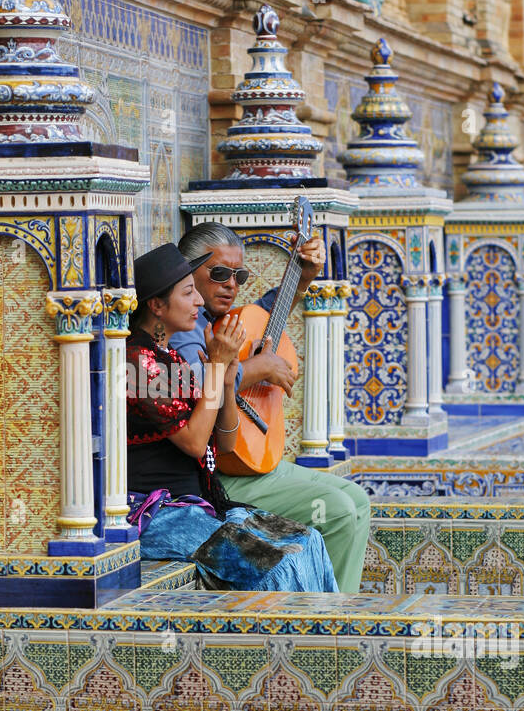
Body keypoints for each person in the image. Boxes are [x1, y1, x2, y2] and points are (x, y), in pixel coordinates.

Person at [168, 222, 371, 592]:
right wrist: (255, 369)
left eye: (239, 275)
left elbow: (263, 314)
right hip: (215, 475)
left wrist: (303, 277)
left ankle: (338, 612)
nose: (231, 284)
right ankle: (321, 623)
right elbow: (192, 386)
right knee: (338, 512)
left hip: (250, 460)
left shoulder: (217, 319)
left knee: (356, 499)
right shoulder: (182, 327)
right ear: (186, 270)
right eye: (219, 273)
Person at [125, 242, 337, 592]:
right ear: (157, 305)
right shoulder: (139, 362)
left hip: (198, 504)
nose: (198, 302)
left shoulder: (169, 357)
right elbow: (194, 443)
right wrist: (218, 367)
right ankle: (284, 645)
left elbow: (222, 441)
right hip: (159, 515)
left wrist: (226, 378)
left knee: (308, 540)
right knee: (277, 565)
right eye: (189, 292)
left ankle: (324, 641)